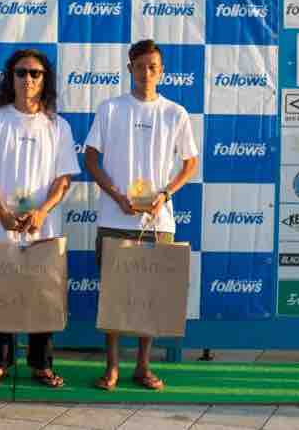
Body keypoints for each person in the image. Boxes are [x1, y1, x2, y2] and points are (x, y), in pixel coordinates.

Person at [86, 39, 199, 391]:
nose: (146, 73)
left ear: (162, 72)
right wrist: (116, 195)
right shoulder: (110, 109)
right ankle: (112, 367)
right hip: (114, 218)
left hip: (157, 221)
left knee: (151, 295)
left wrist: (165, 194)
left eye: (152, 67)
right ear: (129, 69)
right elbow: (91, 159)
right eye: (139, 66)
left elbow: (190, 163)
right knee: (114, 295)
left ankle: (143, 366)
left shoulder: (175, 113)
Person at [0, 49, 80, 388]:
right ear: (10, 78)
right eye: (21, 72)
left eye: (35, 73)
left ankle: (41, 364)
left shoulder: (58, 125)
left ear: (45, 79)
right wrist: (2, 213)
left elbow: (64, 178)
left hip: (42, 226)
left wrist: (42, 211)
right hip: (0, 225)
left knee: (42, 294)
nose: (28, 79)